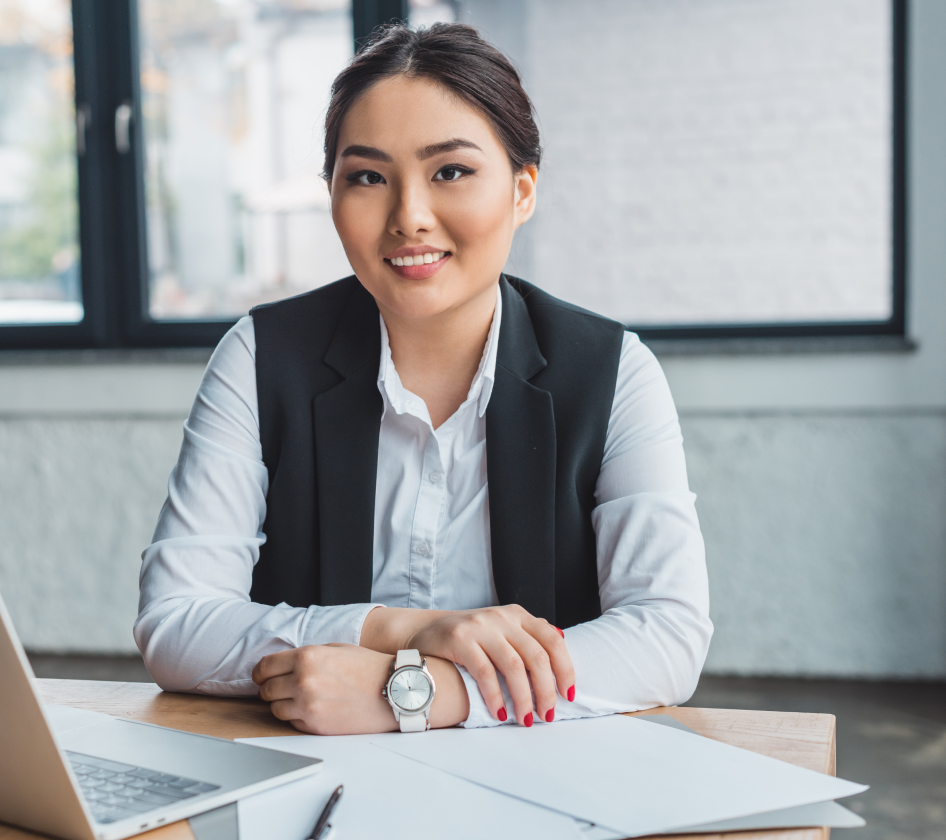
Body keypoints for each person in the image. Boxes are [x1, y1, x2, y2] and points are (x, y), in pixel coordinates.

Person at [135, 23, 711, 736]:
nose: (409, 216)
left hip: (544, 778)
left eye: (451, 172)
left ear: (523, 191)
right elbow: (176, 623)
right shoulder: (260, 357)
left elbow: (667, 636)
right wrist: (409, 629)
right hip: (309, 777)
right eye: (368, 177)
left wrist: (418, 691)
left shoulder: (612, 370)